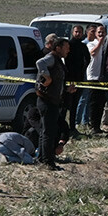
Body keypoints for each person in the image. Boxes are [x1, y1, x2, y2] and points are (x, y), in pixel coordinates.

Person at [35, 37, 72, 170]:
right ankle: (48, 162)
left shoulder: (58, 60)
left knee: (46, 131)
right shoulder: (51, 58)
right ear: (58, 48)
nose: (68, 50)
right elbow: (40, 63)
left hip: (53, 100)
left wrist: (66, 89)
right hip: (46, 101)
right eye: (66, 47)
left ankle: (42, 158)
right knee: (48, 132)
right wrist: (47, 76)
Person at [64, 24, 90, 135]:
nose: (78, 34)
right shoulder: (68, 45)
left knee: (75, 104)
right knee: (65, 105)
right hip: (68, 78)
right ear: (72, 32)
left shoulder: (83, 46)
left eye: (80, 32)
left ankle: (72, 127)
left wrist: (82, 70)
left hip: (79, 79)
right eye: (76, 32)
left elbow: (88, 60)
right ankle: (62, 128)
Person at [82, 24, 104, 133]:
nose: (101, 34)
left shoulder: (106, 44)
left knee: (100, 103)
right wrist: (100, 41)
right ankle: (90, 124)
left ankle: (97, 126)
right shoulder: (91, 44)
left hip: (102, 77)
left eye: (103, 32)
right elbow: (93, 53)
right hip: (92, 76)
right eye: (99, 32)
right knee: (93, 102)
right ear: (95, 34)